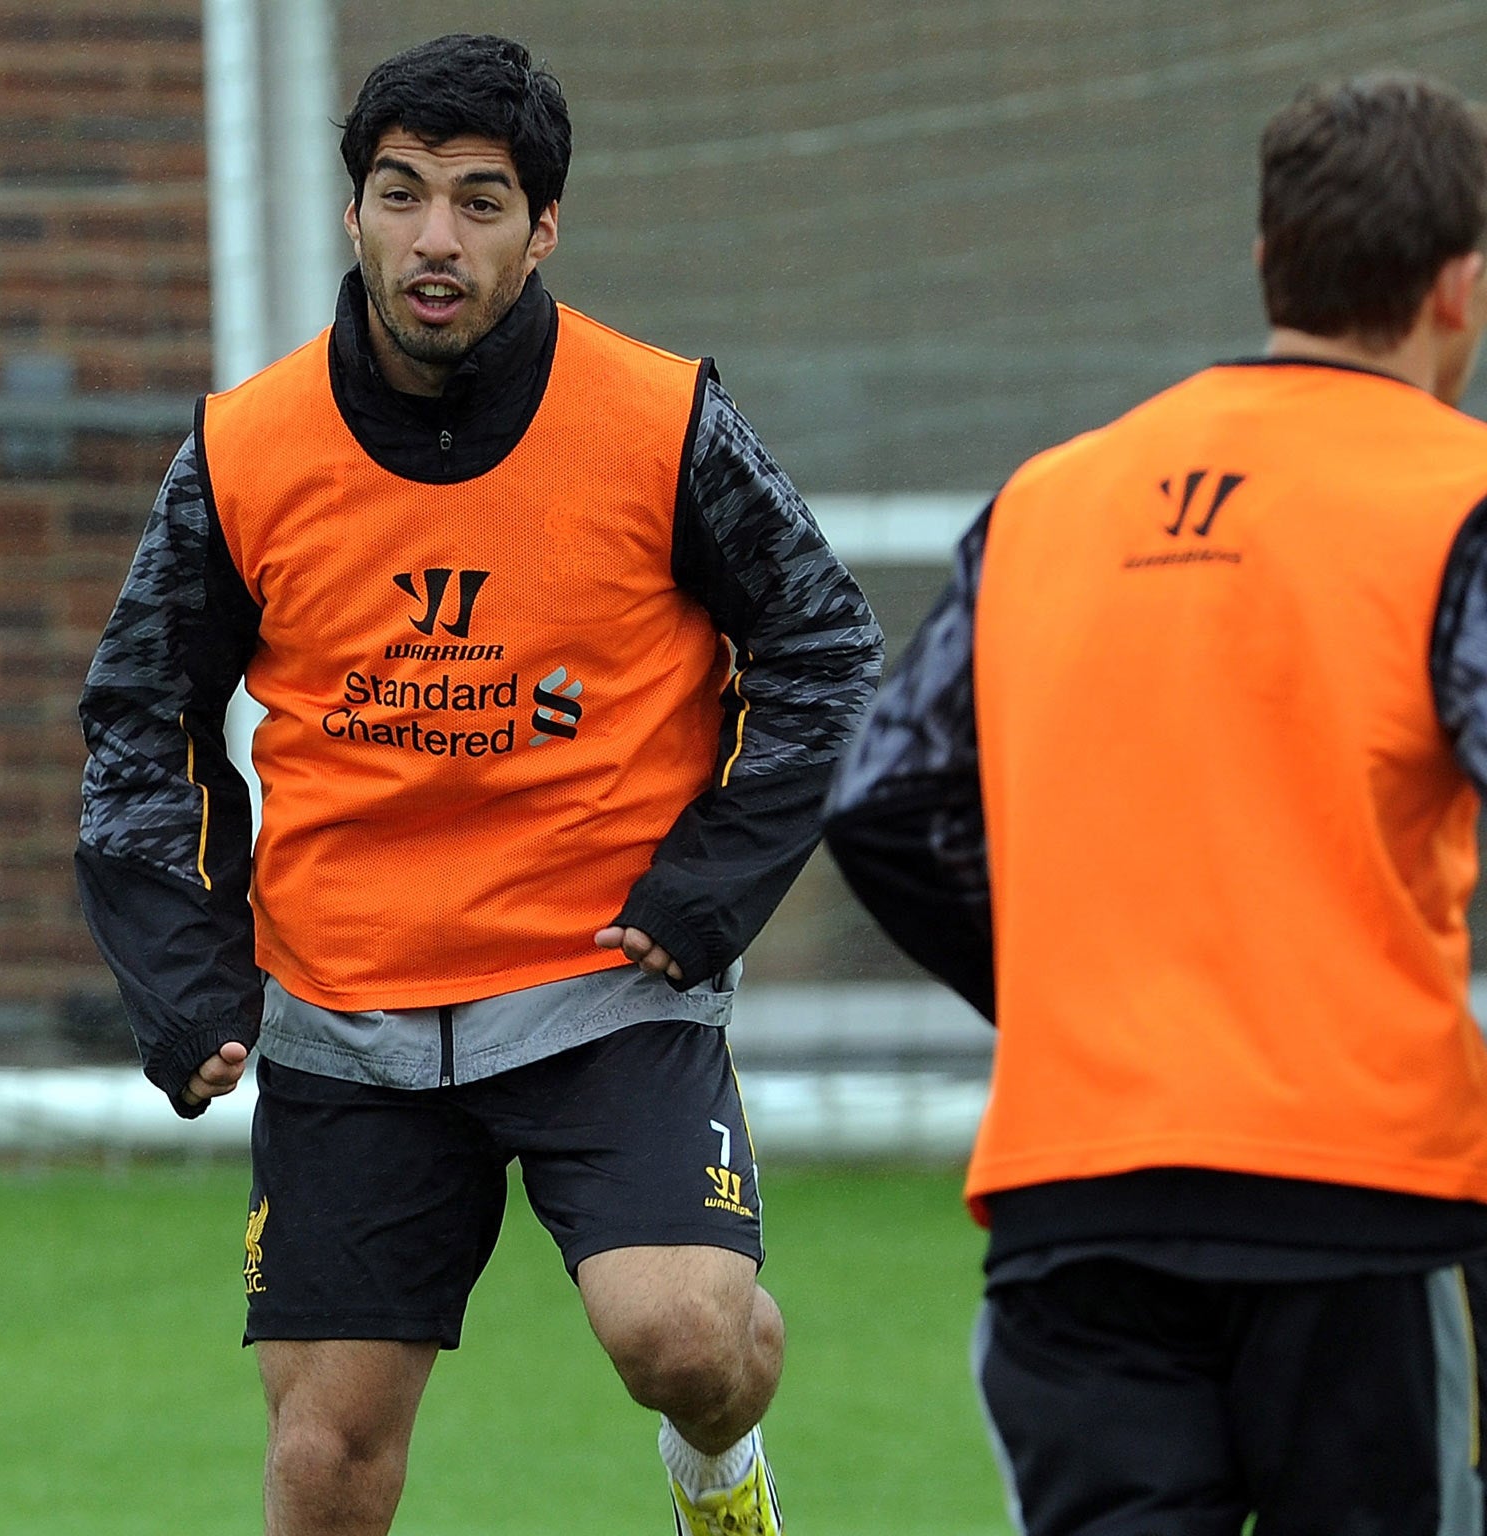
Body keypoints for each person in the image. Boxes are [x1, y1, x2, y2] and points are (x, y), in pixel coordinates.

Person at [76, 31, 880, 1536]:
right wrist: (183, 977)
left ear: (544, 227)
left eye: (479, 201)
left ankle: (721, 1470)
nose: (434, 238)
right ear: (353, 212)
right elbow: (141, 717)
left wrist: (711, 884)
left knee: (685, 1341)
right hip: (346, 1010)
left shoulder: (660, 421)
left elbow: (827, 649)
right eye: (400, 194)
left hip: (604, 983)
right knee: (325, 1468)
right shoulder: (244, 451)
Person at [823, 71, 1487, 1536]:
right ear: (1460, 286)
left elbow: (886, 799)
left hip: (1083, 1198)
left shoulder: (1050, 498)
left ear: (1270, 262)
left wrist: (1076, 1001)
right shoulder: (1459, 494)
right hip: (1360, 1198)